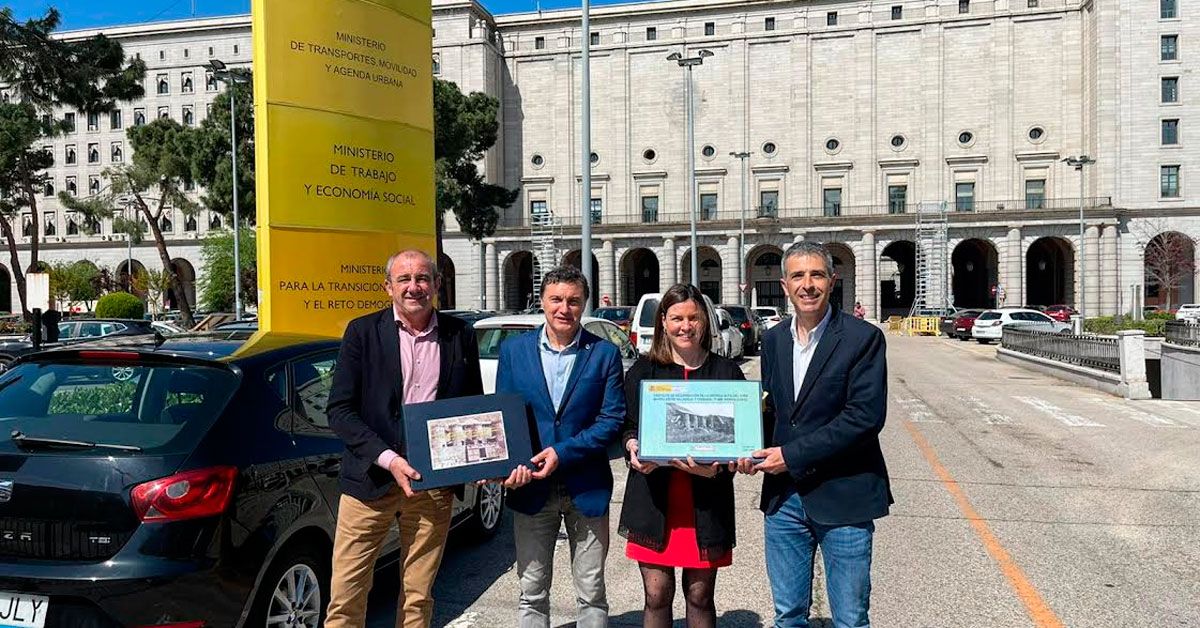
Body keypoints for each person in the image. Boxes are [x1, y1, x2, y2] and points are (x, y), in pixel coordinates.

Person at [325, 249, 484, 628]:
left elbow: (471, 408)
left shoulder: (459, 335)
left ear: (437, 285)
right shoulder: (362, 332)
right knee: (346, 596)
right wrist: (388, 459)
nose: (415, 287)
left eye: (423, 279)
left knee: (418, 597)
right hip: (371, 479)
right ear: (388, 287)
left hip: (433, 484)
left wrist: (482, 459)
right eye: (404, 279)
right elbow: (340, 411)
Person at [737, 241, 892, 628]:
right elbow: (773, 411)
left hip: (845, 496)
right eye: (798, 276)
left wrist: (789, 455)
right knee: (788, 616)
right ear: (785, 284)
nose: (808, 285)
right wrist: (744, 447)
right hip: (785, 500)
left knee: (850, 619)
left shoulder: (862, 338)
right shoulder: (773, 341)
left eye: (817, 274)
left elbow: (863, 418)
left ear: (832, 281)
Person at [495, 266, 626, 628]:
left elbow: (611, 420)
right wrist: (506, 465)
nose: (564, 308)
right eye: (556, 299)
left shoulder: (604, 354)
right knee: (532, 592)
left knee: (591, 591)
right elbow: (506, 416)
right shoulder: (513, 351)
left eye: (573, 301)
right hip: (531, 488)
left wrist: (562, 452)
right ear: (542, 302)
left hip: (587, 487)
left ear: (584, 305)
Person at [618, 283, 745, 628]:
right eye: (676, 318)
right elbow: (627, 426)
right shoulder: (643, 371)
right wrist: (632, 447)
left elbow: (740, 443)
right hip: (655, 501)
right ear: (663, 321)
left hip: (706, 503)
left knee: (700, 596)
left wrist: (717, 471)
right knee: (657, 596)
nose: (685, 326)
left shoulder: (726, 372)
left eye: (693, 318)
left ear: (704, 321)